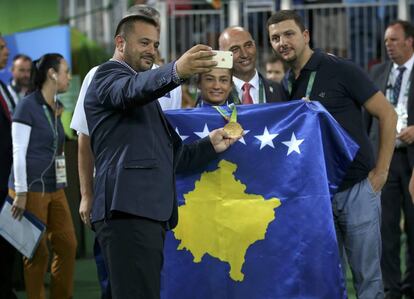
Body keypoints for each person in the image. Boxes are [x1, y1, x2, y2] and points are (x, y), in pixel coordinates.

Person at [84, 12, 237, 299]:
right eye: (144, 42)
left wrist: (210, 144)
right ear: (120, 42)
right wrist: (177, 70)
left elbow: (173, 157)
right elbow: (130, 90)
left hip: (145, 213)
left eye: (155, 45)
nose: (152, 51)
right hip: (126, 210)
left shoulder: (144, 95)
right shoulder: (108, 75)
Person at [267, 10, 397, 299]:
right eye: (275, 38)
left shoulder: (340, 69)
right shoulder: (287, 83)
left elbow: (388, 114)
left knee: (368, 281)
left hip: (357, 188)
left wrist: (382, 172)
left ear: (305, 35)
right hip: (317, 195)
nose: (282, 42)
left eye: (288, 34)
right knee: (327, 276)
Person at [9, 53, 77, 299]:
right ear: (52, 74)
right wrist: (21, 192)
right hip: (30, 189)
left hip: (55, 187)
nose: (68, 76)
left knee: (68, 245)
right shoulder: (26, 105)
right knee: (38, 253)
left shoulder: (55, 108)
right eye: (66, 71)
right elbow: (17, 152)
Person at [368, 20, 414, 299]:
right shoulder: (376, 72)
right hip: (384, 160)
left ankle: (412, 285)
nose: (389, 45)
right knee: (385, 229)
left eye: (394, 40)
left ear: (410, 42)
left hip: (412, 161)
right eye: (386, 41)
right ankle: (391, 289)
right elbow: (365, 119)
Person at [218, 26, 287, 104]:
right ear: (223, 54)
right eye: (235, 49)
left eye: (248, 45)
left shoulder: (280, 90)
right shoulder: (214, 94)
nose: (244, 54)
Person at [0, 33, 18, 299]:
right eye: (2, 47)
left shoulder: (5, 87)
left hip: (9, 179)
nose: (7, 51)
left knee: (7, 240)